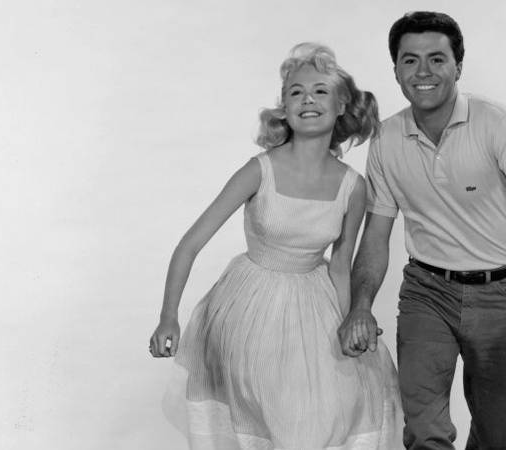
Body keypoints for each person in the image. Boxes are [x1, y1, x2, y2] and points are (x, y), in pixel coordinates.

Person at [337, 11, 506, 450]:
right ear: (395, 70)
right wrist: (361, 305)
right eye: (409, 61)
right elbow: (376, 236)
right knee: (424, 428)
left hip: (499, 296)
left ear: (458, 67)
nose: (422, 72)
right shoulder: (387, 139)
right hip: (426, 292)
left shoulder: (496, 124)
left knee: (496, 433)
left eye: (436, 59)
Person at [149, 43, 402, 449]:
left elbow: (340, 266)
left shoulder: (353, 187)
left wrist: (350, 321)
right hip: (249, 306)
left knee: (327, 411)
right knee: (268, 419)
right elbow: (190, 244)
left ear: (341, 106)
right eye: (295, 91)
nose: (307, 99)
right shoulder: (259, 171)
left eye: (320, 90)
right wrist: (168, 317)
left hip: (315, 306)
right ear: (283, 107)